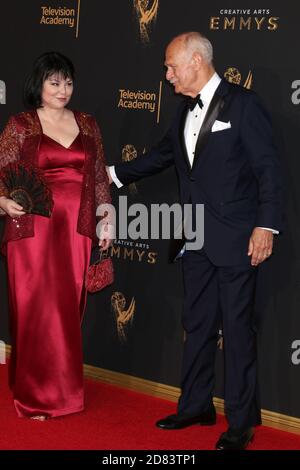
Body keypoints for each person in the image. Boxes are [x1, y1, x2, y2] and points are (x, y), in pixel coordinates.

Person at [108, 32, 282, 449]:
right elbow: (162, 156)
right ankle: (195, 406)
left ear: (197, 61)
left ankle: (240, 423)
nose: (167, 75)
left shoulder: (244, 105)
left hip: (238, 240)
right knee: (198, 324)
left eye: (171, 66)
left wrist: (266, 226)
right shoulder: (183, 109)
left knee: (237, 332)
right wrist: (112, 175)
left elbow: (269, 171)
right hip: (194, 236)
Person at [0, 52, 112, 420]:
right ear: (39, 85)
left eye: (68, 82)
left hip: (76, 229)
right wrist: (3, 202)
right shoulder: (20, 125)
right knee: (34, 308)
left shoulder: (88, 123)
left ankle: (63, 391)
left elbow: (97, 177)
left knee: (66, 308)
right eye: (54, 82)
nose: (63, 90)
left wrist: (106, 219)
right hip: (31, 228)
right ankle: (34, 396)